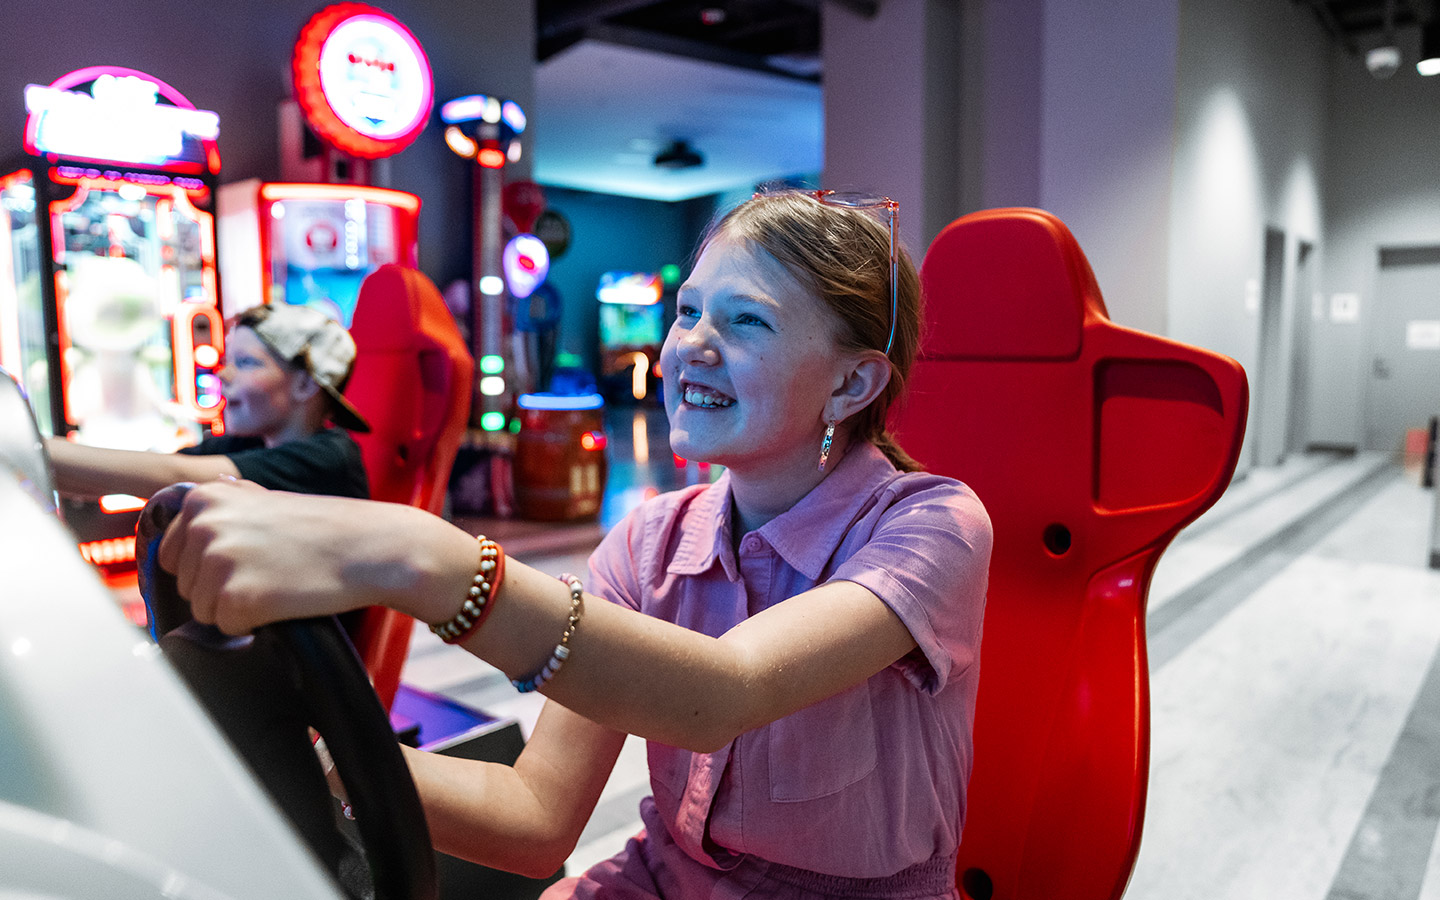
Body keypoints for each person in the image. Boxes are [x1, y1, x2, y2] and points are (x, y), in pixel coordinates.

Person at [156, 190, 993, 900]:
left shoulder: (931, 526)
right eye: (688, 312)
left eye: (745, 322)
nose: (690, 345)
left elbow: (727, 692)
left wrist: (418, 555)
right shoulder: (651, 540)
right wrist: (317, 753)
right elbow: (535, 814)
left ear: (851, 382)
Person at [46, 302, 371, 501]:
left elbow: (174, 475)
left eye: (246, 363)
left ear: (304, 384)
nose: (223, 374)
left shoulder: (329, 457)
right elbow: (127, 475)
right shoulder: (249, 444)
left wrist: (25, 446)